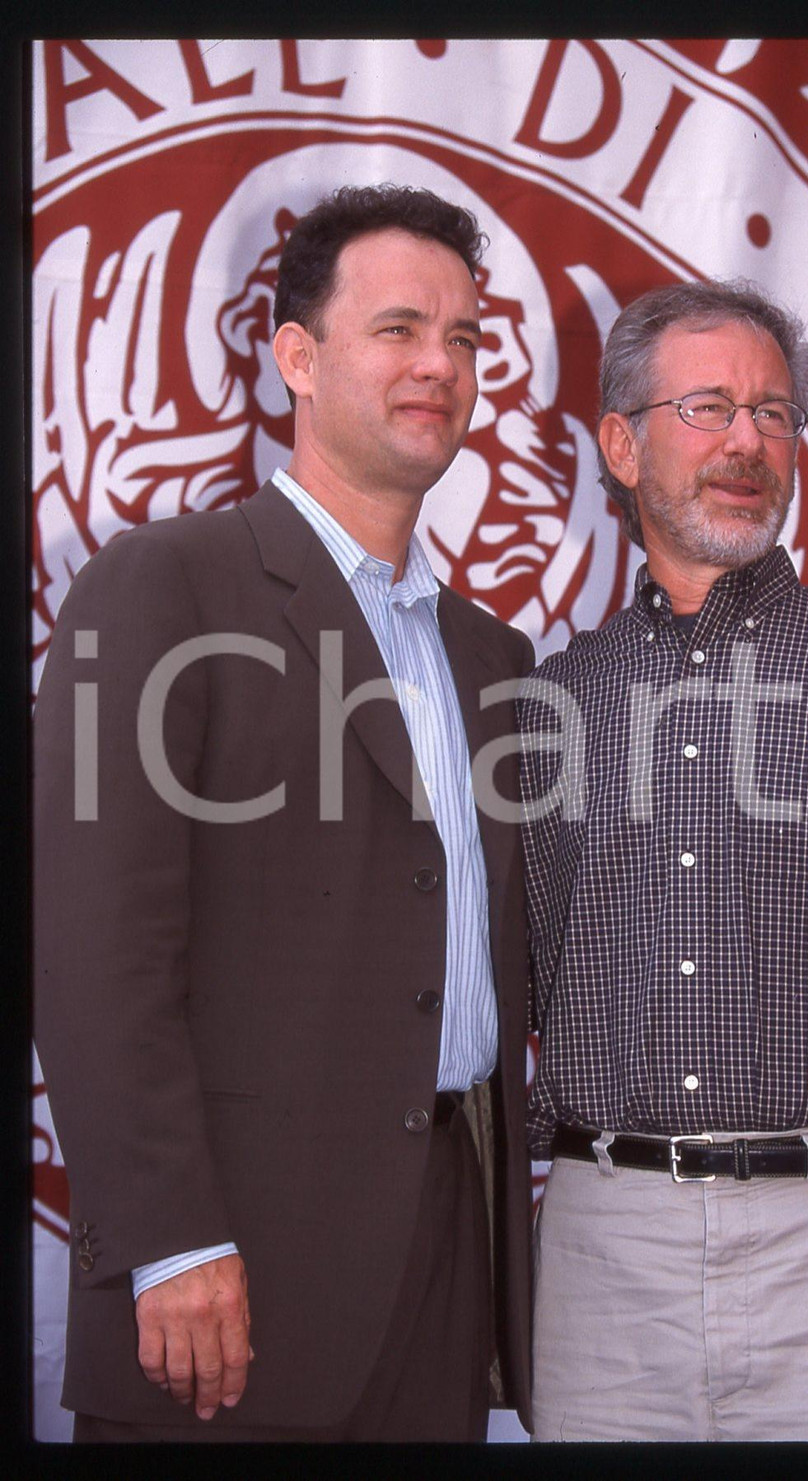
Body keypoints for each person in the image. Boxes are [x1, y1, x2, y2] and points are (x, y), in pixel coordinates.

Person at [33, 183, 534, 1442]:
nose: (440, 365)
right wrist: (167, 1238)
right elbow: (94, 950)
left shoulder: (493, 653)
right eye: (400, 329)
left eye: (466, 338)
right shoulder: (166, 585)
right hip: (229, 1274)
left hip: (443, 1258)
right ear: (295, 358)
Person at [518, 278, 808, 1442]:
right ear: (620, 441)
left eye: (774, 413)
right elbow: (518, 982)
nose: (746, 442)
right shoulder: (551, 705)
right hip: (605, 1260)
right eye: (706, 407)